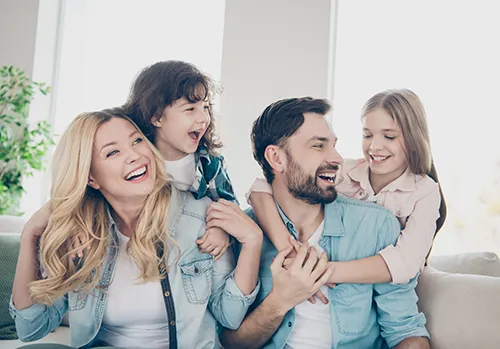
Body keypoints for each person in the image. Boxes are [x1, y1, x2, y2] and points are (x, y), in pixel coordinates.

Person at [10, 109, 263, 349]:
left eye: (137, 141)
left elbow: (230, 316)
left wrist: (252, 242)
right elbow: (30, 328)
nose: (134, 155)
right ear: (90, 178)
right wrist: (30, 234)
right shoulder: (80, 234)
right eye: (112, 153)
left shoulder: (200, 215)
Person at [221, 97, 430, 349]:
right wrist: (280, 301)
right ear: (276, 158)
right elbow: (230, 342)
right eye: (318, 146)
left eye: (334, 145)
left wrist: (321, 272)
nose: (337, 158)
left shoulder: (377, 225)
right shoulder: (244, 235)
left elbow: (405, 331)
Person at [248, 89, 446, 289]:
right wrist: (288, 247)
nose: (374, 146)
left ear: (414, 139)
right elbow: (263, 186)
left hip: (388, 288)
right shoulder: (346, 171)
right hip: (343, 289)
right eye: (367, 135)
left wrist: (318, 272)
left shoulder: (425, 192)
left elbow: (405, 264)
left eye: (389, 136)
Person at [123, 60, 237, 260]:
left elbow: (230, 206)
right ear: (156, 117)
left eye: (206, 107)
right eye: (190, 109)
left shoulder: (210, 165)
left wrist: (221, 229)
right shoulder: (137, 163)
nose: (203, 118)